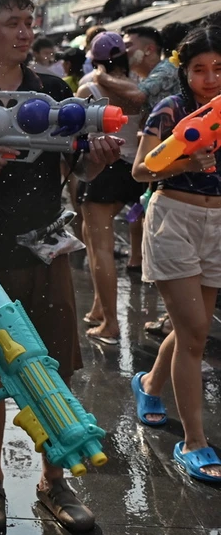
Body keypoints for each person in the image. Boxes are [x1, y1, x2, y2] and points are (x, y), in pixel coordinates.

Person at [0, 0, 121, 533]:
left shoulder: (55, 93)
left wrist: (95, 165)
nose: (27, 31)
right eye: (13, 22)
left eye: (30, 20)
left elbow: (76, 173)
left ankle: (56, 481)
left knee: (55, 363)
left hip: (46, 247)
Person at [130, 26, 221, 483]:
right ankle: (194, 441)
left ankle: (149, 386)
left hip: (218, 226)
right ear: (185, 72)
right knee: (195, 333)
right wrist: (188, 160)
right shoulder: (171, 109)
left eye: (218, 69)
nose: (209, 78)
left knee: (192, 332)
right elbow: (141, 170)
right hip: (174, 219)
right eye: (199, 69)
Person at [75, 32, 145, 343]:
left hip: (103, 168)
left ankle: (111, 325)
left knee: (99, 248)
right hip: (133, 167)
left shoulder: (88, 85)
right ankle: (99, 309)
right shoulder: (139, 83)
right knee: (95, 243)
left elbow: (76, 132)